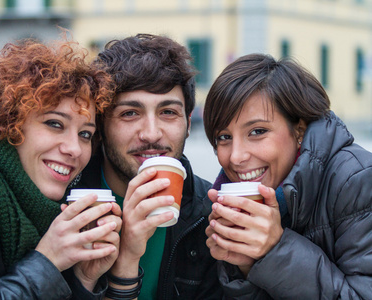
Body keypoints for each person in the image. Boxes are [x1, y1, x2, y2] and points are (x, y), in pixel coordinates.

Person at [0, 37, 123, 299]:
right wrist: (48, 262)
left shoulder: (46, 204)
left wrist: (83, 279)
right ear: (9, 123)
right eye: (54, 124)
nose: (74, 148)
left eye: (86, 134)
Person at [203, 53, 372, 299]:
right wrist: (247, 264)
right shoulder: (224, 200)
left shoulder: (356, 179)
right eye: (224, 137)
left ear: (299, 129)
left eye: (257, 131)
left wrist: (275, 249)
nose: (236, 157)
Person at [71, 33, 223, 299]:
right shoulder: (65, 205)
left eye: (168, 112)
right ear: (101, 125)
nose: (151, 134)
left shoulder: (210, 215)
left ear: (188, 123)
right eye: (130, 113)